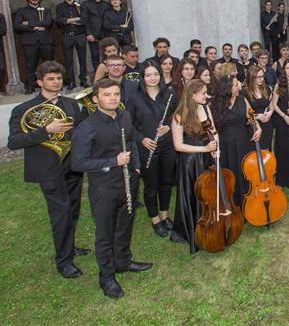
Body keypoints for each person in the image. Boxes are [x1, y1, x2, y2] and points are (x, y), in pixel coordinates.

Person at [71, 78, 152, 298]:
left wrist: (135, 166)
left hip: (127, 182)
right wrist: (112, 162)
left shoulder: (125, 116)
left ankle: (123, 261)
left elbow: (133, 140)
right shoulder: (86, 128)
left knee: (125, 224)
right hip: (104, 187)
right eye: (107, 95)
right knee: (105, 234)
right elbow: (77, 163)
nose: (113, 98)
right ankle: (106, 277)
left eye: (116, 94)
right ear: (96, 99)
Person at [7, 61, 87, 278]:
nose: (56, 82)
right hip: (48, 168)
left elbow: (79, 131)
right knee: (60, 214)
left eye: (59, 78)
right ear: (40, 81)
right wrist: (46, 130)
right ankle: (64, 261)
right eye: (51, 79)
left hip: (72, 165)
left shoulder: (71, 104)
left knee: (73, 210)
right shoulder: (23, 110)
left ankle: (70, 246)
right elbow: (13, 142)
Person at [126, 62, 177, 237]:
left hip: (168, 145)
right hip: (147, 147)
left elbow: (178, 115)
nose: (153, 78)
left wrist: (169, 126)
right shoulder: (134, 98)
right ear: (142, 77)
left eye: (155, 74)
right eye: (148, 75)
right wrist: (142, 139)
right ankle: (155, 219)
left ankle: (164, 215)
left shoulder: (169, 94)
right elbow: (128, 124)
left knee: (166, 182)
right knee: (151, 185)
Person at [169, 80, 215, 252]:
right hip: (190, 162)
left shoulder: (205, 107)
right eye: (203, 93)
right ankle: (193, 229)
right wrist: (204, 148)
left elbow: (212, 129)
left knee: (209, 193)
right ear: (192, 95)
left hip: (207, 158)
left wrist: (216, 146)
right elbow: (178, 146)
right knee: (194, 194)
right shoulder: (179, 116)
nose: (207, 95)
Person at [212, 75, 262, 206]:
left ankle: (248, 203)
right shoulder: (216, 104)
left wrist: (258, 128)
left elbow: (251, 117)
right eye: (235, 85)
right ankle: (232, 205)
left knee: (245, 172)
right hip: (225, 145)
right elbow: (212, 128)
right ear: (227, 88)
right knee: (230, 174)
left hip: (243, 142)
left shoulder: (242, 100)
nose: (239, 86)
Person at [14, 0, 54, 94]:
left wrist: (28, 23)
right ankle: (30, 86)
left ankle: (50, 86)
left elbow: (48, 23)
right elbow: (17, 25)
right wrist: (35, 27)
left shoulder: (46, 10)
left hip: (45, 41)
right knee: (30, 65)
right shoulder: (21, 11)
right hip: (29, 42)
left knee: (49, 64)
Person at [56, 0, 88, 90]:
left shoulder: (80, 6)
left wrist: (68, 20)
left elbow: (84, 20)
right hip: (67, 35)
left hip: (80, 35)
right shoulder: (60, 7)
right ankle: (71, 82)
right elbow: (60, 20)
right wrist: (74, 19)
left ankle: (83, 80)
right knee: (68, 59)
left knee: (82, 58)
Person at [243, 64, 275, 150]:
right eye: (259, 77)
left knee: (266, 153)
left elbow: (271, 105)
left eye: (263, 76)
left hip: (267, 124)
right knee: (254, 154)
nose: (262, 79)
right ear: (252, 77)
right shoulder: (244, 93)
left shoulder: (267, 89)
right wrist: (257, 116)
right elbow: (244, 113)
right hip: (253, 126)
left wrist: (270, 113)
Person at [81, 0, 107, 70]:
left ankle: (107, 74)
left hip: (106, 33)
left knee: (107, 55)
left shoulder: (107, 4)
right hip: (93, 33)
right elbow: (85, 20)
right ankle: (98, 74)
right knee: (95, 55)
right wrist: (88, 34)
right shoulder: (86, 4)